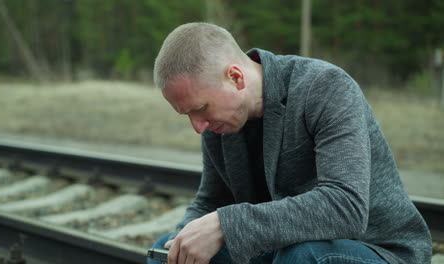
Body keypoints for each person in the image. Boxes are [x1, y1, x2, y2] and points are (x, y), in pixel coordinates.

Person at [149, 22, 432, 264]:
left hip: (376, 249)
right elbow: (212, 200)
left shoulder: (324, 87)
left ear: (235, 77)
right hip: (283, 248)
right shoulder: (219, 122)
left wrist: (226, 224)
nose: (198, 126)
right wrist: (183, 238)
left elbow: (346, 208)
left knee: (301, 257)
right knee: (166, 251)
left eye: (200, 109)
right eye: (187, 115)